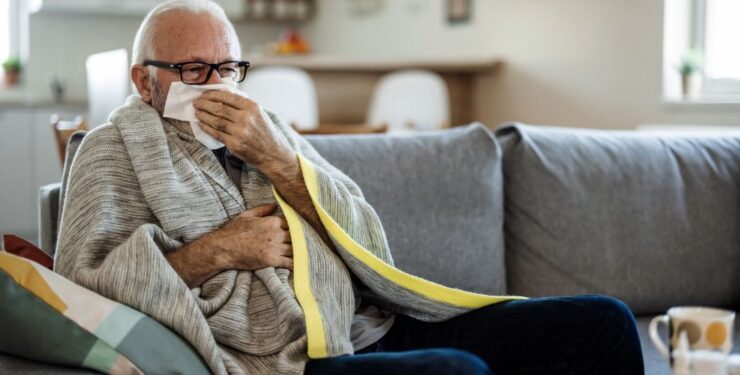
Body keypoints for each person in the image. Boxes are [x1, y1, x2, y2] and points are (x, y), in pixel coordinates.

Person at [54, 1, 645, 374]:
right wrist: (220, 251)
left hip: (370, 323)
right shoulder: (111, 151)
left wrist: (277, 159)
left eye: (228, 68)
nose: (215, 85)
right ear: (144, 80)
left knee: (606, 321)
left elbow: (365, 235)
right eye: (192, 70)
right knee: (455, 370)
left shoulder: (270, 129)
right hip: (290, 356)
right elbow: (84, 288)